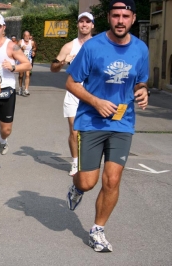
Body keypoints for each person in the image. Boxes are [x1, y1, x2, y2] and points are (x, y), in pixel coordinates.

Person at [65, 0, 149, 252]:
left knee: (112, 180)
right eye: (116, 15)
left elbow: (140, 82)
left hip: (123, 122)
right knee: (88, 182)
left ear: (133, 18)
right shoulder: (93, 47)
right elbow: (71, 82)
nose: (120, 20)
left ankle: (97, 230)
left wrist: (143, 91)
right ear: (109, 18)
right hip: (91, 121)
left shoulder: (141, 49)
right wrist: (95, 101)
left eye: (125, 16)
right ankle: (77, 187)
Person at [0, 14, 31, 183]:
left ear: (4, 28)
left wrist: (12, 66)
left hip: (7, 93)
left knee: (6, 130)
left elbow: (27, 64)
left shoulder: (11, 47)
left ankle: (2, 139)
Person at [50, 12, 94, 176]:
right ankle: (75, 162)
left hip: (93, 94)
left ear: (92, 25)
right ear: (77, 25)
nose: (84, 25)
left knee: (90, 132)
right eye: (81, 22)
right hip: (73, 94)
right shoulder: (69, 46)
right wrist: (63, 61)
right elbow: (53, 68)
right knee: (74, 130)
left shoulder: (98, 45)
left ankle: (89, 160)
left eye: (87, 22)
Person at [17, 31, 36, 96]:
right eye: (26, 36)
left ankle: (26, 89)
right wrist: (21, 48)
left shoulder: (32, 42)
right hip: (21, 61)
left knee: (27, 75)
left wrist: (33, 52)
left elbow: (34, 48)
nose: (27, 37)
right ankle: (20, 88)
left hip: (28, 60)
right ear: (23, 36)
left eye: (28, 35)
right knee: (21, 75)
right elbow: (15, 49)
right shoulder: (20, 42)